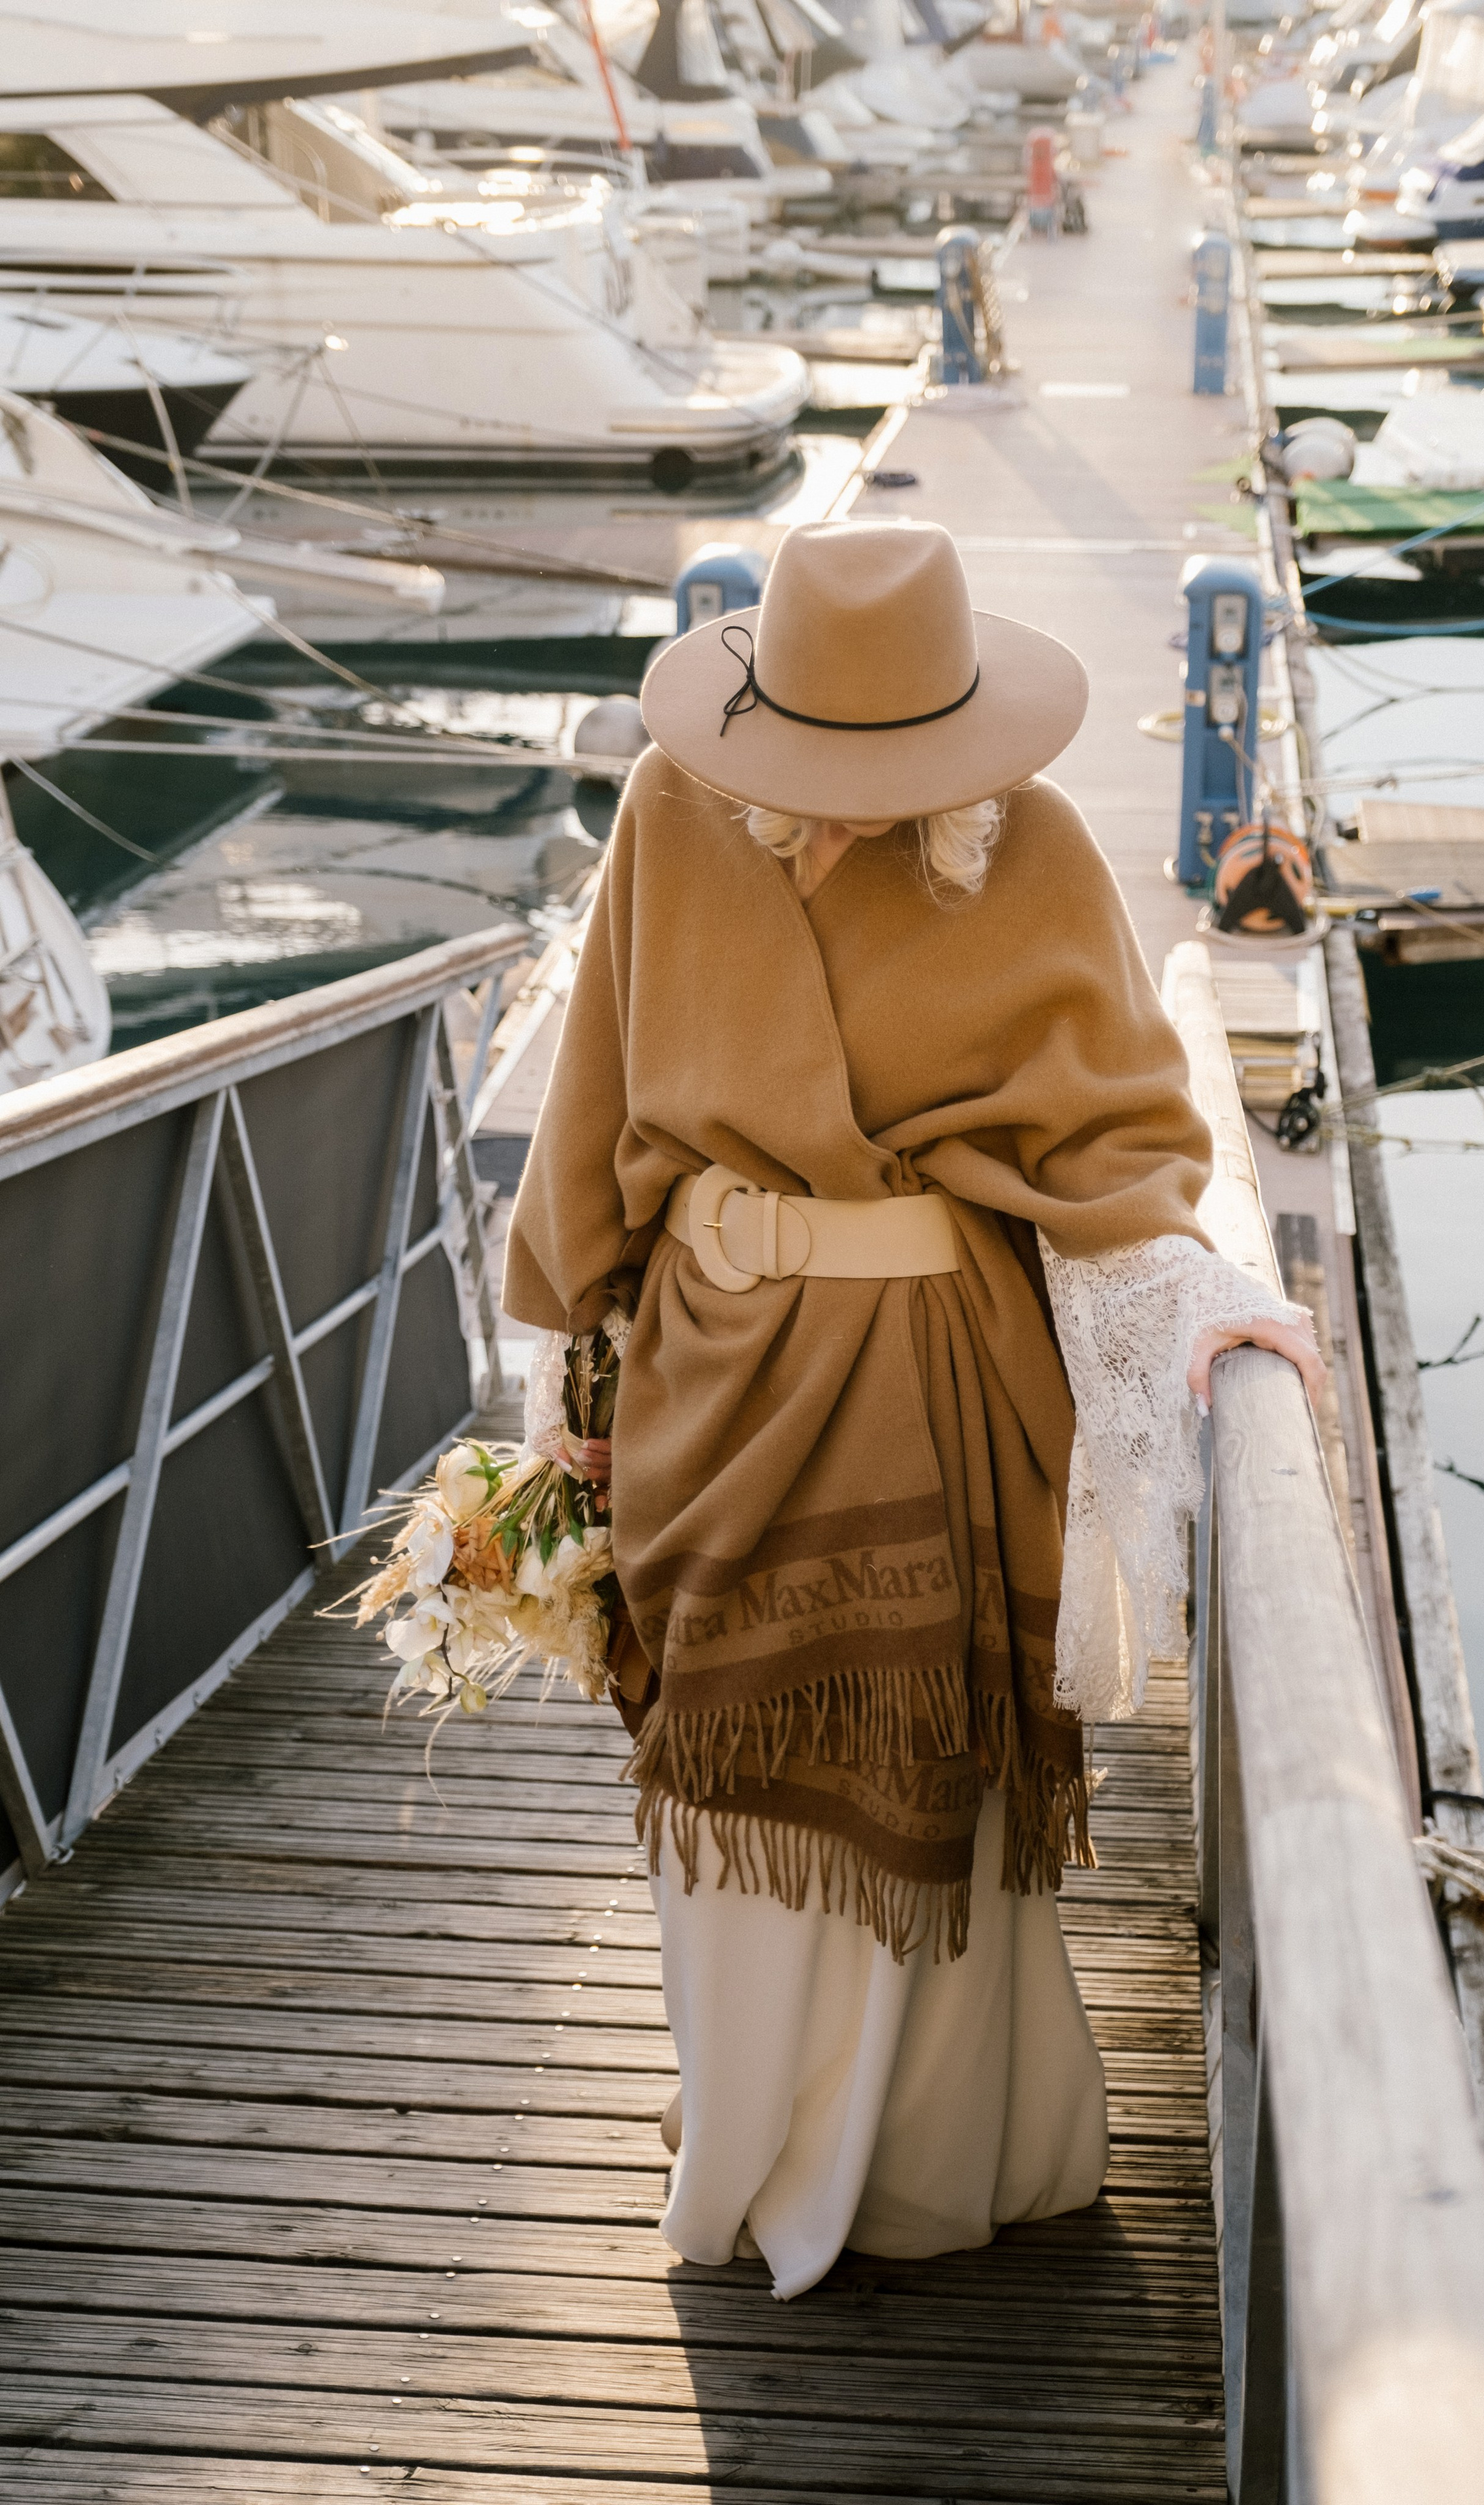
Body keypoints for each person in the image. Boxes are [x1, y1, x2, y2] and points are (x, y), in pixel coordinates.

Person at [502, 519, 1320, 2301]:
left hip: (936, 1377)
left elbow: (1122, 1127)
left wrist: (1208, 1303)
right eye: (823, 767)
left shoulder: (1026, 849)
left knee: (923, 1772)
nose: (855, 806)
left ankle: (923, 2163)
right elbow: (594, 1097)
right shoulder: (665, 814)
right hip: (706, 1376)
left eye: (895, 772)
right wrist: (575, 1348)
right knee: (719, 1754)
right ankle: (751, 2136)